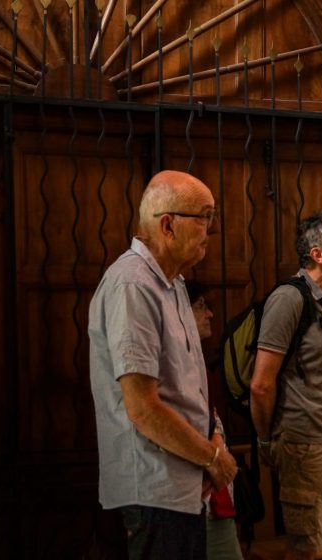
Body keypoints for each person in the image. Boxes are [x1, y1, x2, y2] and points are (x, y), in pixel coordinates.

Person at [88, 170, 238, 560]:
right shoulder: (132, 285)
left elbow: (189, 391)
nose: (213, 228)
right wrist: (210, 457)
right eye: (204, 216)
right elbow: (143, 408)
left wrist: (214, 448)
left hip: (184, 486)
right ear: (168, 225)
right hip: (154, 489)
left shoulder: (174, 284)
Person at [250, 209, 322, 560]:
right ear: (318, 254)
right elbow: (261, 384)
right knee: (308, 549)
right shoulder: (289, 300)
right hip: (304, 442)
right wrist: (266, 438)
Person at [185, 280, 245, 560]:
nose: (209, 314)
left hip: (212, 489)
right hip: (190, 491)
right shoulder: (178, 364)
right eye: (200, 307)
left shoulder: (198, 361)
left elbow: (210, 419)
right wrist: (215, 454)